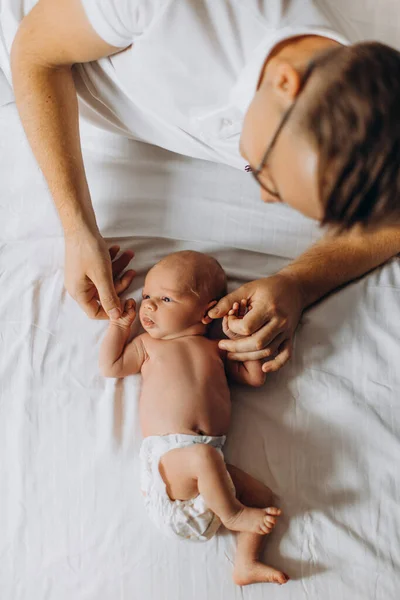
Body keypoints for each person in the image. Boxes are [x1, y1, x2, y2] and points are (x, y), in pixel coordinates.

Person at [4, 0, 400, 374]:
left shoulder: (365, 117)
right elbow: (34, 53)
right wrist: (77, 226)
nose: (263, 195)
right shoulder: (171, 10)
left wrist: (297, 284)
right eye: (266, 174)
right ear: (284, 82)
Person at [99, 250, 289, 586]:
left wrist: (239, 335)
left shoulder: (216, 348)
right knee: (203, 458)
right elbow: (110, 366)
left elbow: (254, 378)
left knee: (264, 497)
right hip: (170, 464)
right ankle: (233, 514)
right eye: (146, 296)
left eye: (165, 298)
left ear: (206, 314)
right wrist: (118, 326)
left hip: (210, 466)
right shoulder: (147, 345)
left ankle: (247, 562)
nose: (148, 305)